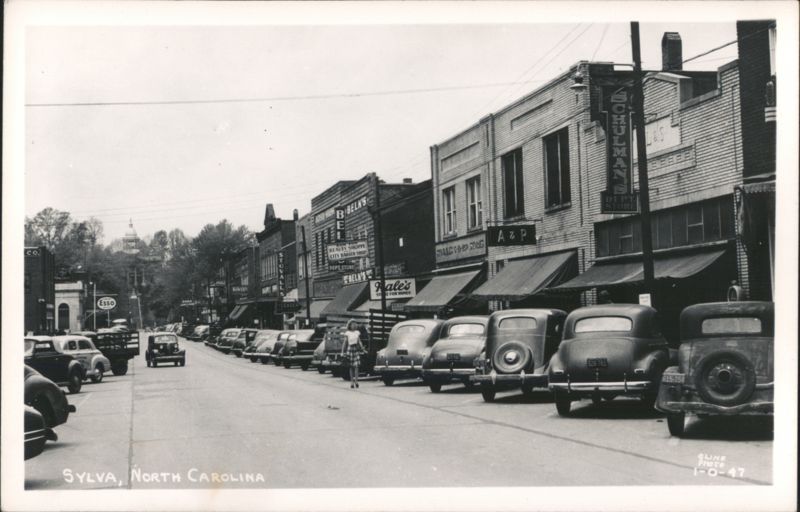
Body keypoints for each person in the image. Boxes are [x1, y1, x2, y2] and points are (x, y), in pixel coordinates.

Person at [341, 320, 366, 389]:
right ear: (349, 325)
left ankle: (356, 381)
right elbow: (345, 343)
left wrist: (363, 349)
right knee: (351, 367)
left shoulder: (357, 333)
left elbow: (359, 341)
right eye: (352, 324)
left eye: (355, 324)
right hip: (350, 349)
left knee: (356, 366)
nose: (354, 325)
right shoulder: (347, 333)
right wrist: (342, 352)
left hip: (356, 349)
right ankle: (351, 381)